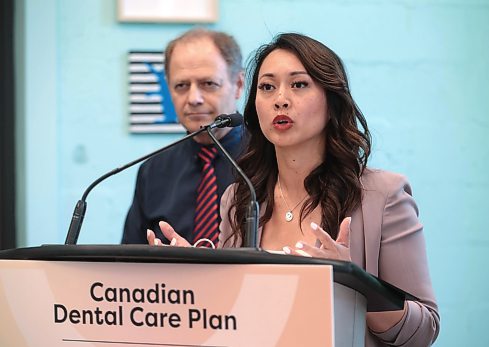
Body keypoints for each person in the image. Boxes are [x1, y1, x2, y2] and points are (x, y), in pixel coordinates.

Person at [147, 33, 440, 346]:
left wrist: (353, 281)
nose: (280, 99)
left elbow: (424, 329)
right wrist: (196, 277)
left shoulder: (383, 194)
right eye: (267, 87)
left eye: (299, 84)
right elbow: (234, 316)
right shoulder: (239, 198)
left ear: (331, 101)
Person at [122, 28, 245, 245]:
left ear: (238, 85)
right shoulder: (153, 170)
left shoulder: (273, 158)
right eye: (181, 86)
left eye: (208, 84)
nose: (193, 98)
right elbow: (126, 262)